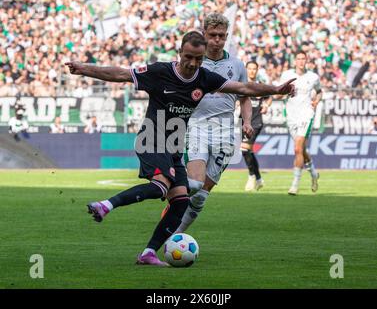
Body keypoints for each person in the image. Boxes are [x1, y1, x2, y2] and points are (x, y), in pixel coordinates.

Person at [65, 31, 295, 266]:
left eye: (198, 58)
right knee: (160, 187)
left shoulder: (204, 78)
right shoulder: (160, 72)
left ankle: (148, 253)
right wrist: (84, 68)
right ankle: (105, 205)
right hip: (152, 139)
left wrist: (276, 90)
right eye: (188, 57)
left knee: (181, 200)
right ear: (180, 53)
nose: (193, 63)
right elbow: (121, 74)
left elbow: (244, 88)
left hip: (173, 146)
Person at [174, 13, 253, 234]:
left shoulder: (236, 65)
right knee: (194, 183)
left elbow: (245, 97)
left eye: (221, 36)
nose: (217, 40)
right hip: (196, 127)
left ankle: (176, 233)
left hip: (226, 133)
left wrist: (246, 121)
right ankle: (169, 230)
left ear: (226, 36)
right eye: (212, 35)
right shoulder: (193, 62)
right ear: (204, 35)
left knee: (200, 196)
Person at [276, 50, 321, 195]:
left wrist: (316, 101)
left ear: (306, 60)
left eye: (303, 58)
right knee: (301, 149)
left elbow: (319, 91)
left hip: (306, 115)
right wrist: (278, 94)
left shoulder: (313, 77)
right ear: (294, 61)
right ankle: (313, 173)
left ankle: (295, 185)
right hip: (291, 116)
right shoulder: (287, 75)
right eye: (298, 59)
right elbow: (278, 92)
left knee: (297, 149)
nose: (301, 61)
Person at [241, 61, 272, 192]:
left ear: (257, 70)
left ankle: (251, 176)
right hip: (242, 121)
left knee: (244, 148)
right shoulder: (241, 84)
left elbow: (269, 97)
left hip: (256, 121)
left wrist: (266, 105)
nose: (252, 71)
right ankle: (259, 179)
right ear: (246, 69)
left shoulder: (260, 85)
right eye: (250, 68)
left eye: (254, 69)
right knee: (248, 151)